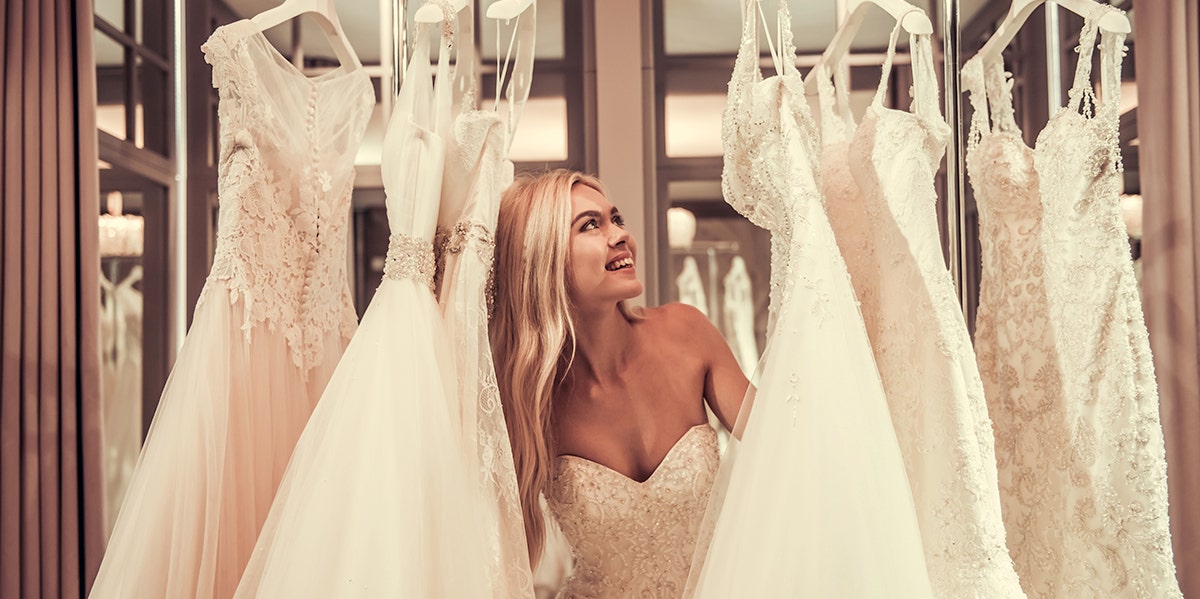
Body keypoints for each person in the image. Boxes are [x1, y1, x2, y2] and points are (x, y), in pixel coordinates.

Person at [491, 169, 750, 597]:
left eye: (617, 219)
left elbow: (785, 449)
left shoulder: (686, 332)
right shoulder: (528, 398)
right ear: (543, 257)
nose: (619, 236)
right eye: (590, 225)